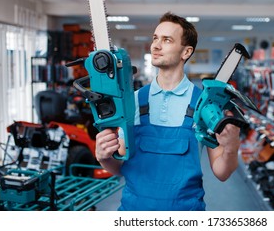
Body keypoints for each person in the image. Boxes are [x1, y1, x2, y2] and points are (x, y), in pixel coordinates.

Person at [95, 12, 241, 211]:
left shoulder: (204, 105)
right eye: (155, 38)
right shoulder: (133, 100)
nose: (155, 45)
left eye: (167, 40)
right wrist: (104, 157)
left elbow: (221, 172)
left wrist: (231, 148)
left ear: (186, 52)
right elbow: (120, 167)